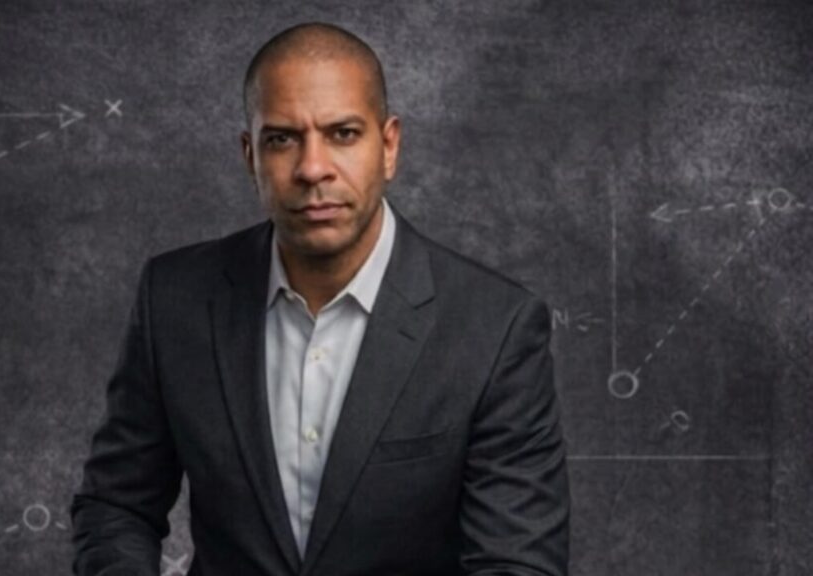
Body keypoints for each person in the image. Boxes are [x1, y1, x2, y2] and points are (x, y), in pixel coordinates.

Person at [70, 21, 569, 576]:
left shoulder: (494, 328)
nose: (312, 168)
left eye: (343, 134)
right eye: (282, 139)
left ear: (389, 146)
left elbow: (517, 564)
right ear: (250, 155)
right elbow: (115, 507)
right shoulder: (175, 299)